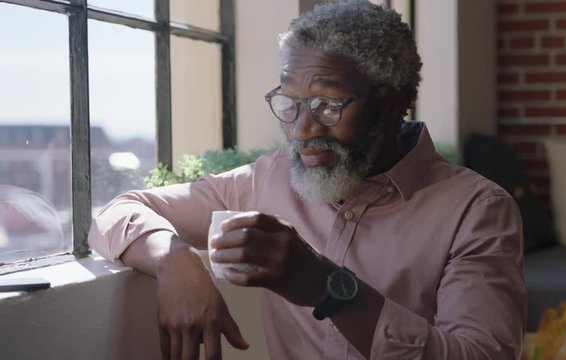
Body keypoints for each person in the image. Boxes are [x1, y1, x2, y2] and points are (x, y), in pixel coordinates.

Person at [89, 1, 526, 359]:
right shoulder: (269, 178)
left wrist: (323, 284)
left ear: (391, 105)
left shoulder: (476, 210)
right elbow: (118, 211)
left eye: (328, 106)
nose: (302, 129)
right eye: (289, 103)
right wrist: (176, 261)